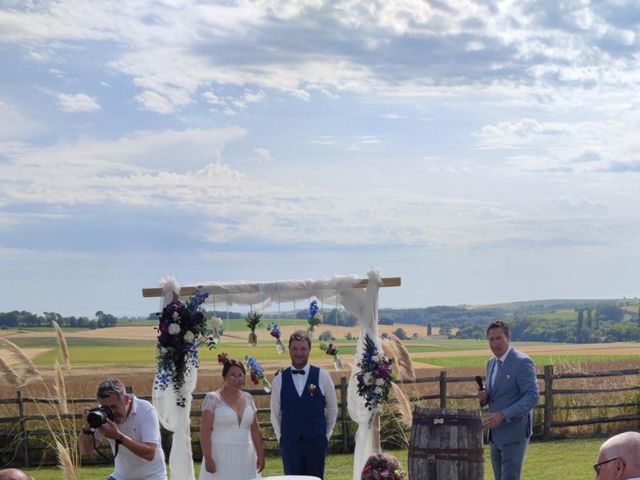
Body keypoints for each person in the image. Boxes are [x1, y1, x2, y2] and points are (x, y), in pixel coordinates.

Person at [270, 330, 338, 479]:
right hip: (290, 443)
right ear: (289, 349)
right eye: (294, 348)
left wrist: (326, 435)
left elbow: (332, 408)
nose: (298, 353)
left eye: (302, 349)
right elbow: (275, 413)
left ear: (309, 349)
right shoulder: (279, 380)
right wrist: (281, 437)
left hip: (316, 443)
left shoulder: (323, 376)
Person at [476, 321, 538, 480]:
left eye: (499, 338)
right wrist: (485, 397)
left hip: (514, 433)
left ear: (509, 337)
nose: (495, 343)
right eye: (491, 339)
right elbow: (498, 395)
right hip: (495, 435)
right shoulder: (491, 363)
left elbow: (532, 397)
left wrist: (503, 415)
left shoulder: (522, 362)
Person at [78, 378, 167, 480]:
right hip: (121, 476)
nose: (111, 412)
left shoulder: (146, 410)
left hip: (153, 477)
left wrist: (119, 437)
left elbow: (150, 453)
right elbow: (85, 450)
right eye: (105, 408)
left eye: (114, 406)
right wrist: (86, 427)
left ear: (126, 400)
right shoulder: (101, 415)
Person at [199, 356, 265, 480]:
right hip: (220, 455)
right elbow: (205, 432)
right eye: (232, 375)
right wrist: (208, 458)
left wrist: (260, 455)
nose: (237, 379)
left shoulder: (249, 398)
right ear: (224, 377)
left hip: (246, 454)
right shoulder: (212, 399)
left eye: (240, 375)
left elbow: (255, 430)